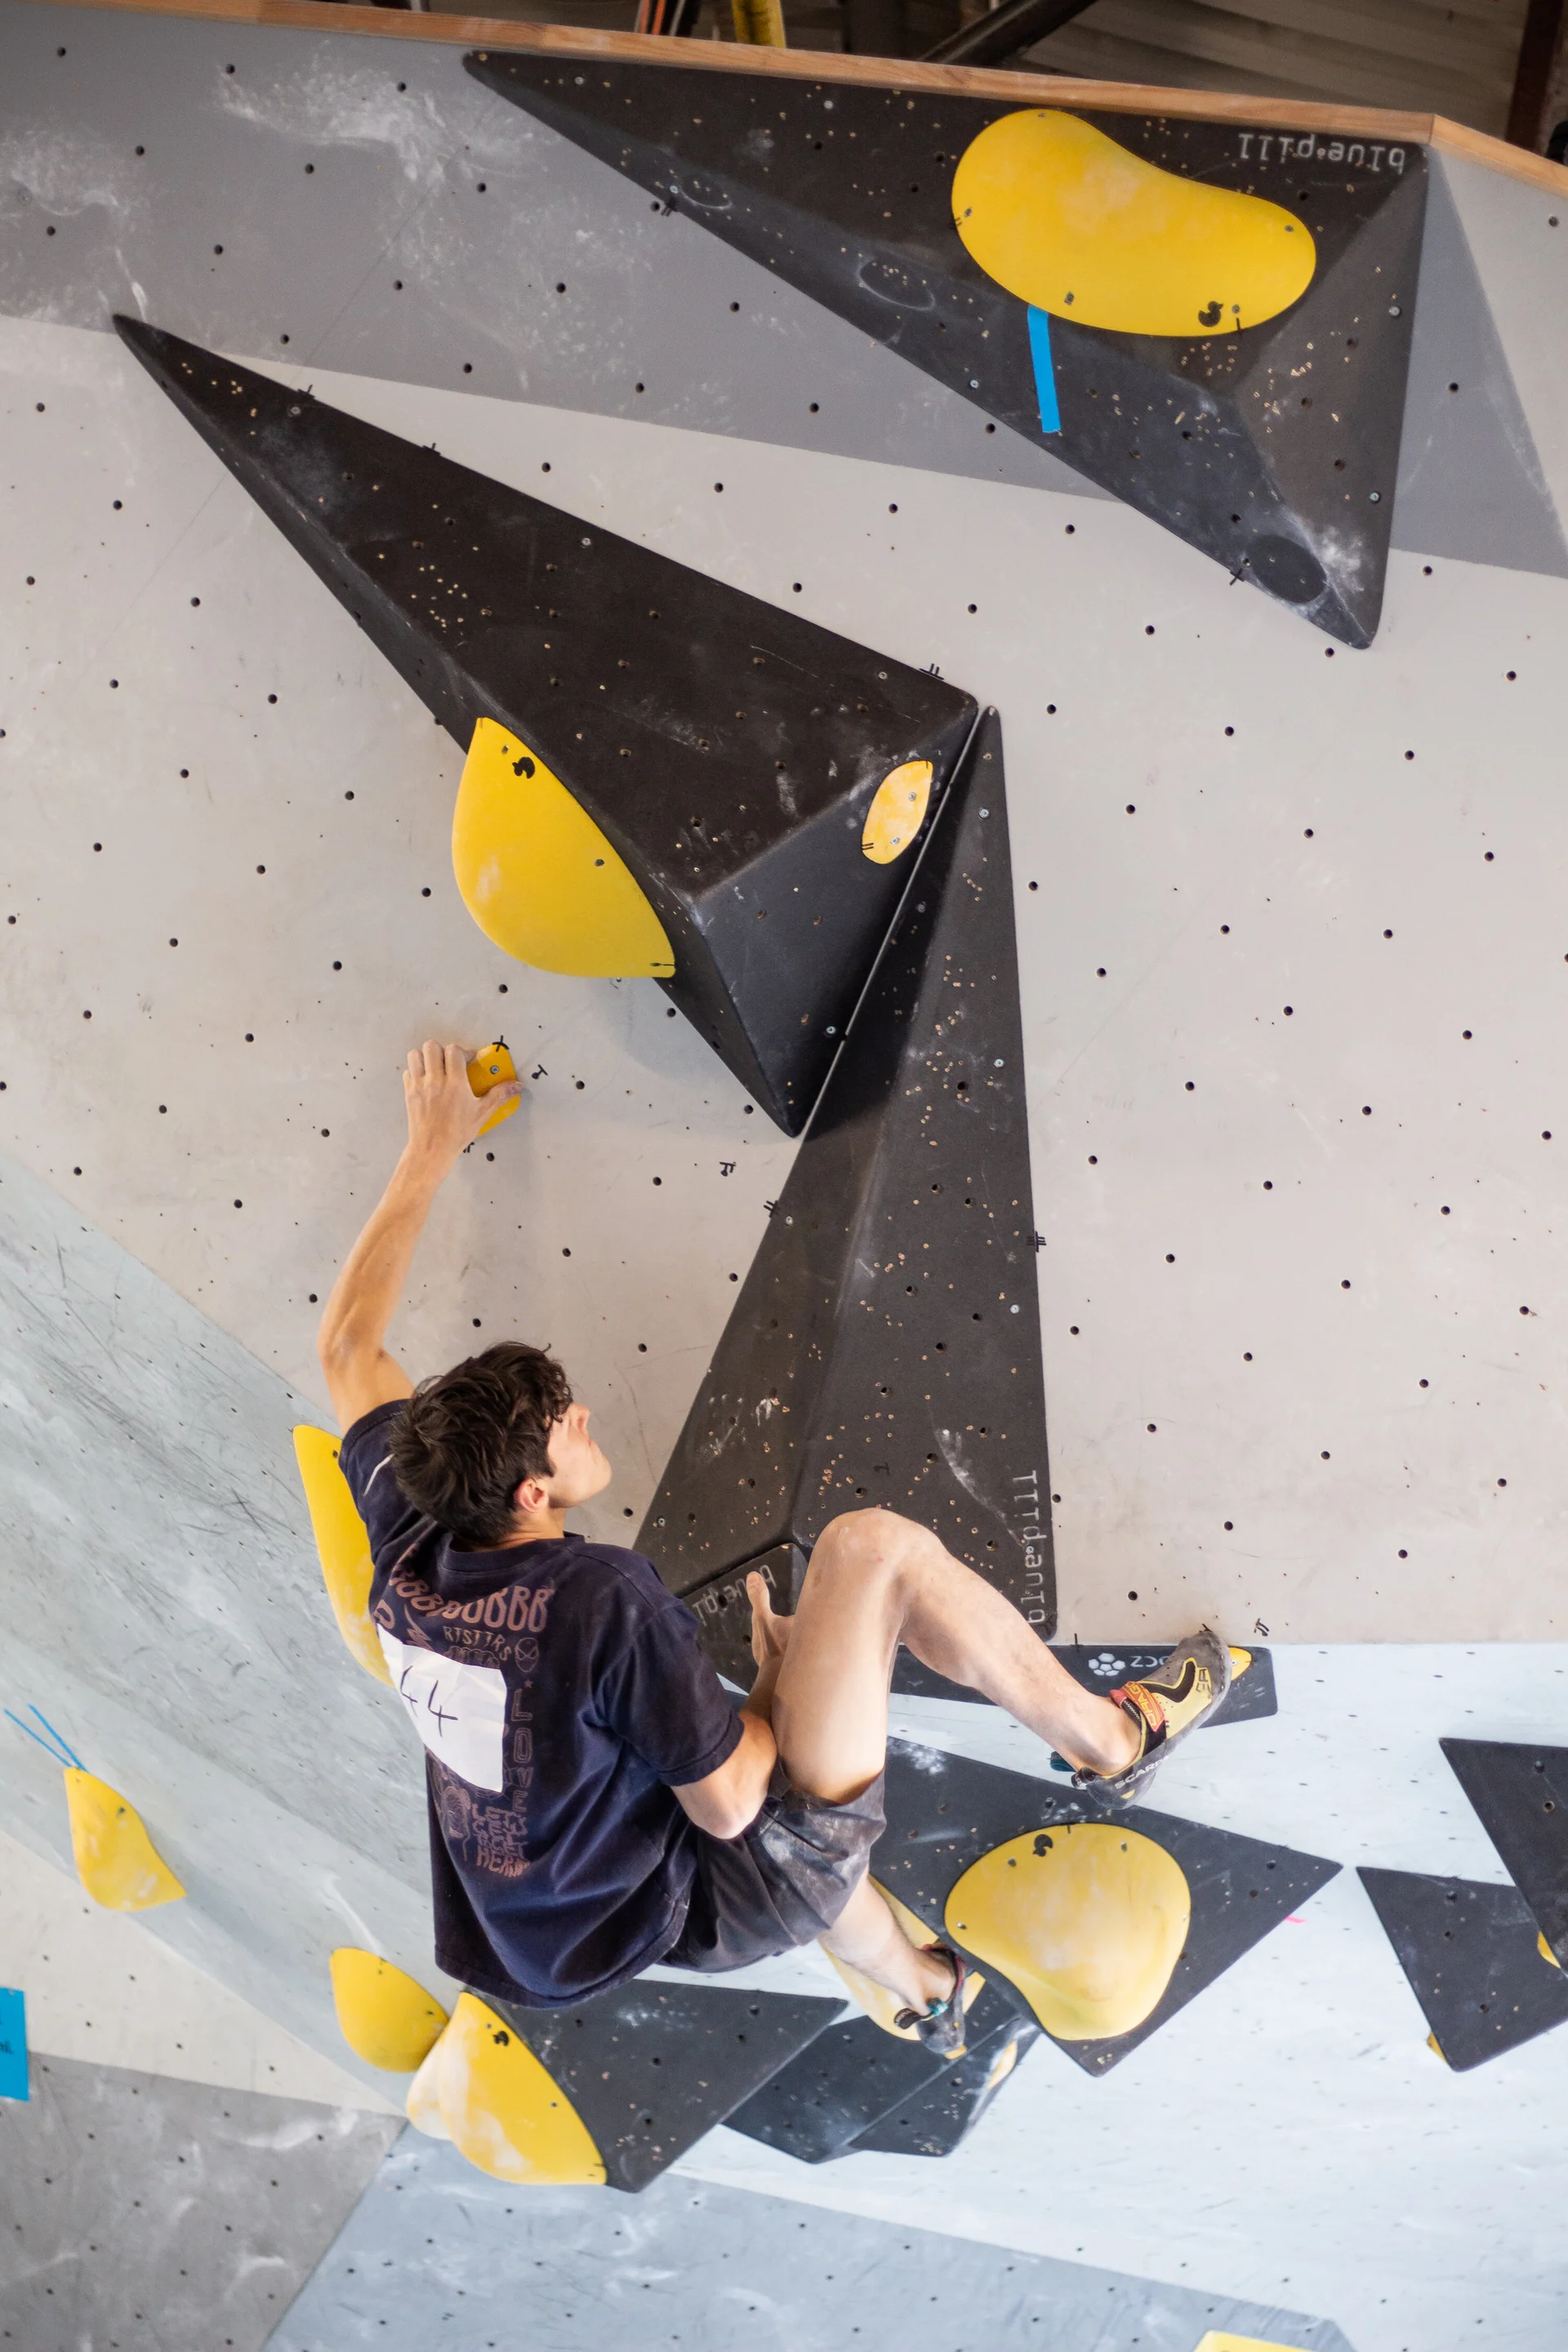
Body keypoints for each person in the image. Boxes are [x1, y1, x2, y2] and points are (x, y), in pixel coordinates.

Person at [317, 1041, 1232, 2052]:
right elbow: (732, 1802)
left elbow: (350, 1350)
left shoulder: (416, 1534)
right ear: (534, 1492)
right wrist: (772, 1690)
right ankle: (1115, 1742)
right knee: (871, 1553)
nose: (580, 1419)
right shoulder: (599, 1599)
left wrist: (432, 1144)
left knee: (727, 1775)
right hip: (710, 1881)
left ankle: (928, 1994)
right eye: (563, 1423)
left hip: (549, 1922)